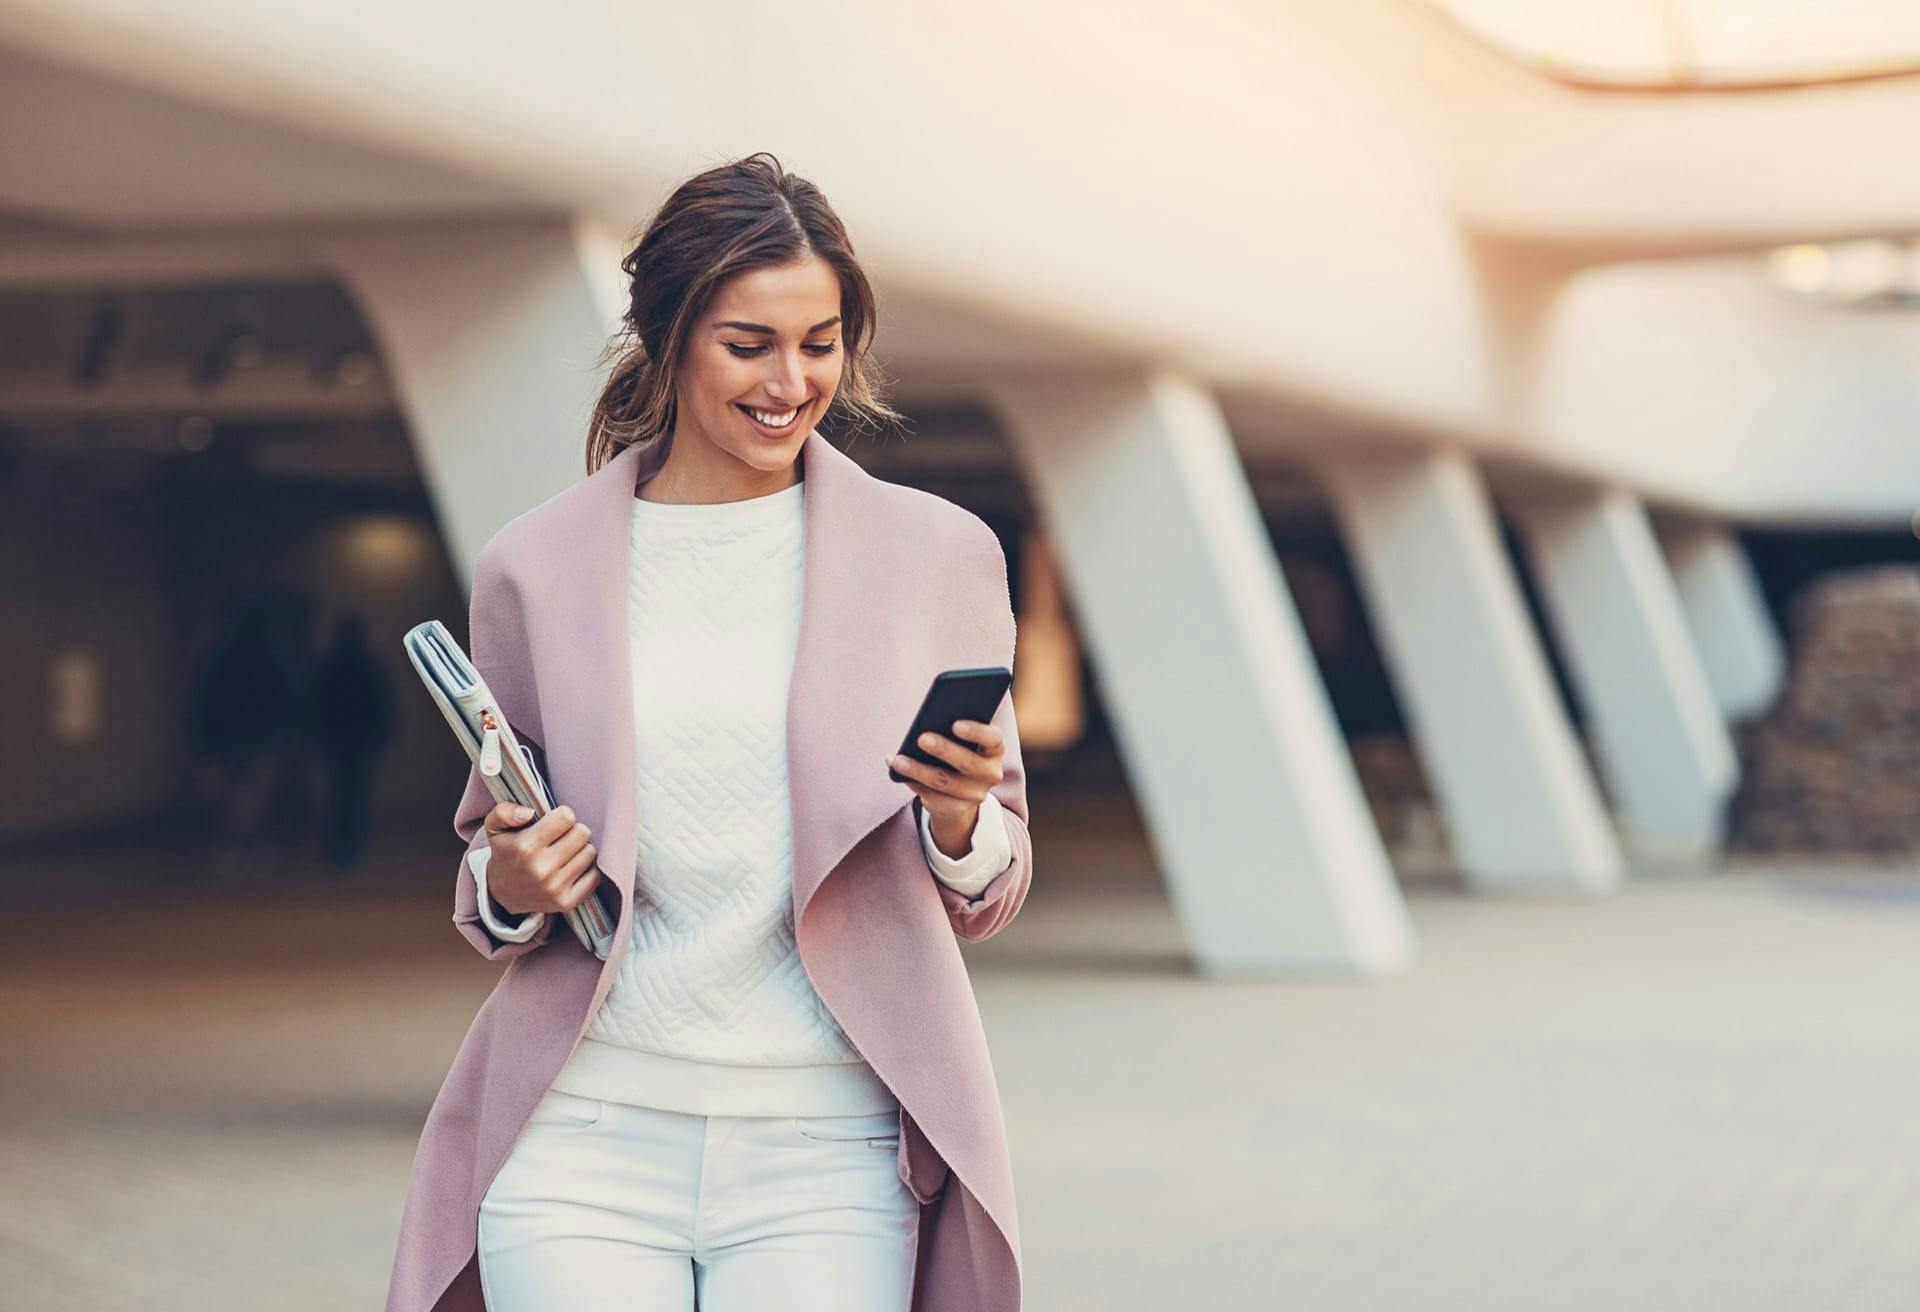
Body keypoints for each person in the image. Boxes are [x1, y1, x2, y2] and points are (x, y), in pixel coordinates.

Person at [385, 153, 1035, 1312]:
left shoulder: (939, 557)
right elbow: (490, 864)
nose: (792, 380)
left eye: (821, 342)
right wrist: (513, 879)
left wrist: (956, 815)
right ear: (669, 337)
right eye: (750, 344)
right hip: (580, 1133)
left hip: (827, 1147)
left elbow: (990, 889)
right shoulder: (535, 567)